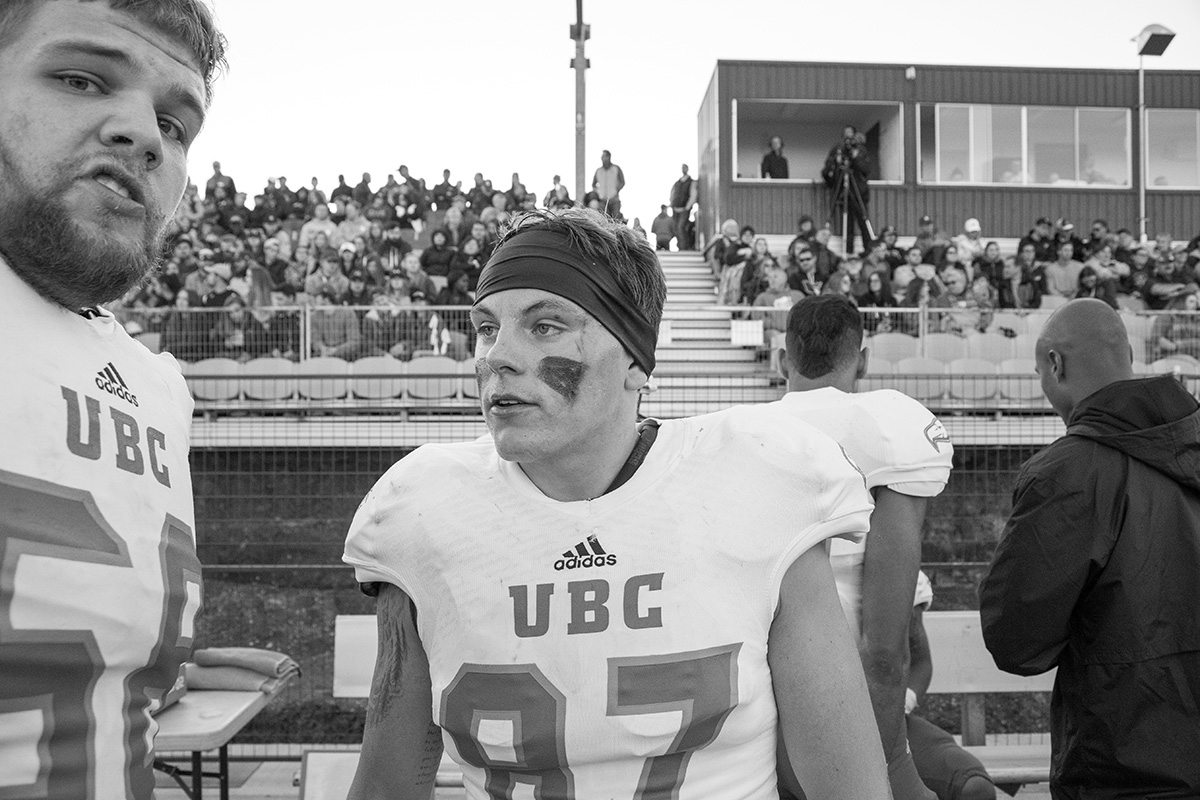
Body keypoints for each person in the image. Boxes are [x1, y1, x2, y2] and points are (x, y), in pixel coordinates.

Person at [343, 207, 891, 800]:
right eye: (486, 328)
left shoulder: (758, 482)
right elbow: (388, 784)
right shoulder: (425, 510)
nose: (496, 355)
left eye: (546, 325)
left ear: (634, 358)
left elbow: (849, 787)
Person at [0, 0, 226, 796]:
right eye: (80, 78)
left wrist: (152, 662)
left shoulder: (159, 387)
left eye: (176, 124)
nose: (143, 136)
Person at [980, 299, 1200, 799]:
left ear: (1055, 364)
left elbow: (1016, 641)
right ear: (1127, 354)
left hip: (1122, 769)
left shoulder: (1067, 473)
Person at [768, 294, 954, 800]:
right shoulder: (886, 435)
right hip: (858, 717)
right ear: (864, 359)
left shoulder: (742, 435)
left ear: (782, 359)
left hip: (764, 725)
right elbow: (884, 651)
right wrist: (891, 763)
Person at [906, 572, 998, 800]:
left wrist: (899, 704)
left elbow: (920, 662)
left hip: (890, 721)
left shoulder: (898, 566)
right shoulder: (808, 554)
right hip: (814, 724)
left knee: (974, 788)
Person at [822, 126, 872, 255]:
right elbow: (826, 172)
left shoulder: (861, 150)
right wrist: (837, 163)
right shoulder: (837, 150)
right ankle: (848, 252)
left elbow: (866, 170)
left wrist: (856, 158)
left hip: (859, 192)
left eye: (851, 136)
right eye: (846, 136)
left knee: (863, 221)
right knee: (847, 224)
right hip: (844, 193)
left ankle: (869, 250)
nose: (848, 139)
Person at [591, 149, 625, 220]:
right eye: (602, 157)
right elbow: (593, 184)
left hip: (614, 199)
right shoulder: (599, 171)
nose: (603, 159)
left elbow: (622, 182)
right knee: (603, 219)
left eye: (605, 157)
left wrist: (616, 190)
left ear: (609, 157)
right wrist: (598, 192)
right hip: (602, 200)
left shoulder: (616, 168)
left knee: (615, 219)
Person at [669, 163, 697, 250]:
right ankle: (680, 246)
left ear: (687, 169)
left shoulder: (691, 182)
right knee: (676, 228)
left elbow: (693, 194)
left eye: (684, 168)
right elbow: (672, 193)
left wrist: (688, 206)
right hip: (675, 208)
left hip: (684, 209)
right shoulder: (677, 183)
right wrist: (672, 204)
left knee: (681, 227)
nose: (683, 169)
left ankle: (684, 247)